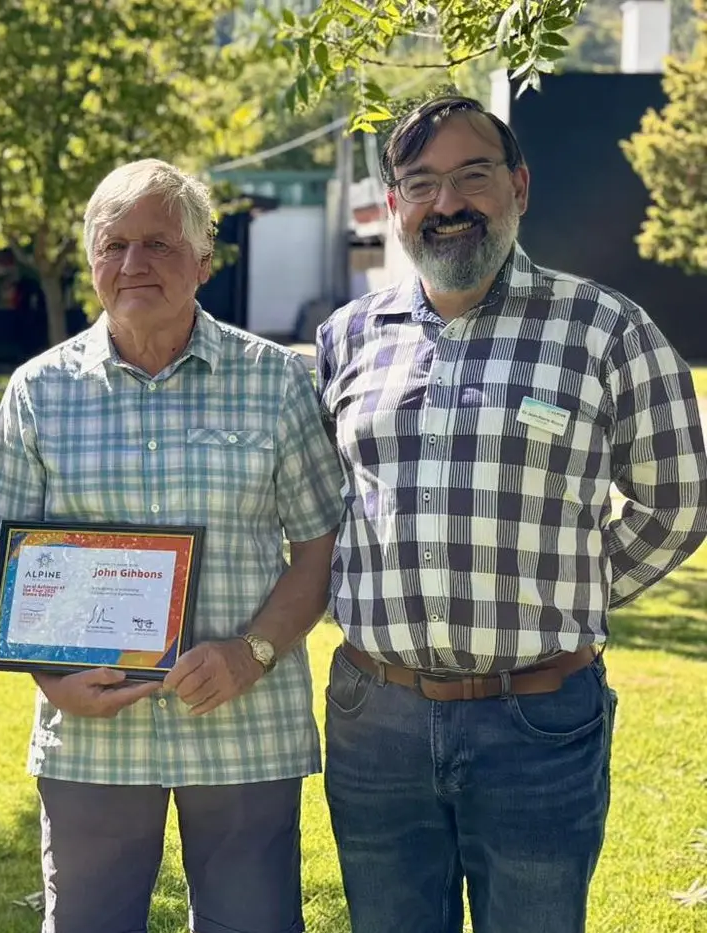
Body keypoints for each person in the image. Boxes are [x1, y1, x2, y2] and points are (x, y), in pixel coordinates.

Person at [316, 94, 707, 933]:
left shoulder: (607, 329)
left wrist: (566, 587)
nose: (447, 203)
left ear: (520, 187)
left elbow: (679, 500)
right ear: (393, 206)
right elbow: (319, 511)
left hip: (538, 720)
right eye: (420, 184)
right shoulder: (347, 338)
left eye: (472, 176)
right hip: (373, 719)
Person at [0, 159, 345, 933]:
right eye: (114, 245)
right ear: (91, 262)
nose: (133, 264)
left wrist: (253, 652)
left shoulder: (275, 381)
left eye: (158, 243)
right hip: (92, 731)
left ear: (204, 260)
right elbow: (7, 560)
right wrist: (50, 676)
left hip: (244, 725)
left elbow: (319, 547)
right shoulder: (38, 391)